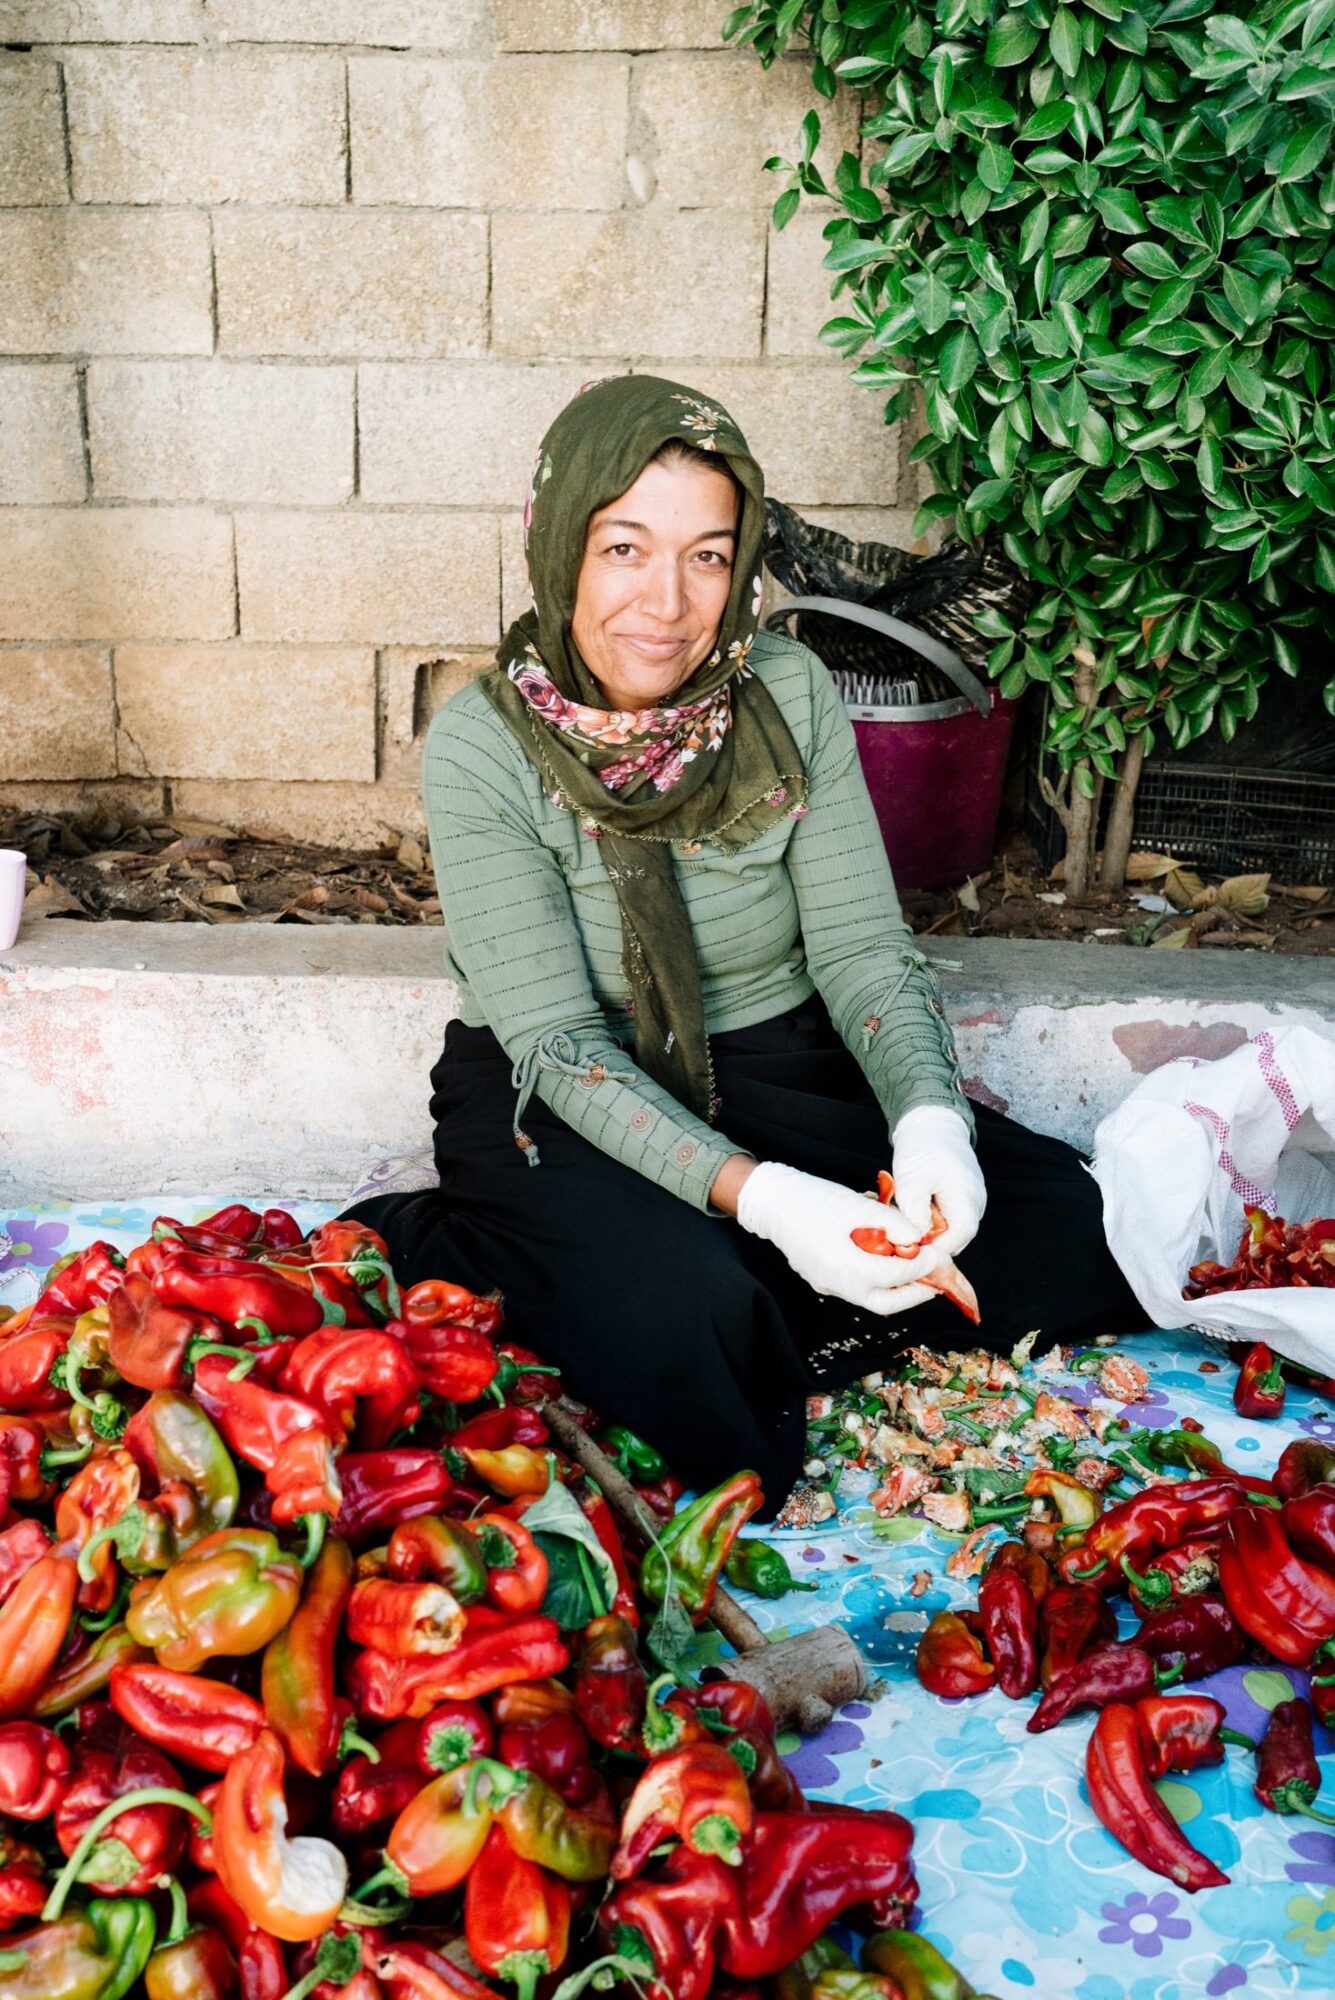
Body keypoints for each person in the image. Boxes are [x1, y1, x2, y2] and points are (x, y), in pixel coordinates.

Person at [344, 375, 1149, 1514]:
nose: (667, 603)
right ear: (561, 540)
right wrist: (777, 1203)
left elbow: (865, 950)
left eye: (710, 556)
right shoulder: (482, 741)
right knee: (703, 1325)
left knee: (1079, 1232)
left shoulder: (788, 688)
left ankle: (736, 1281)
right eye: (625, 548)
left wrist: (929, 1124)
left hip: (777, 1061)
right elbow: (561, 1044)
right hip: (567, 1092)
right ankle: (468, 1241)